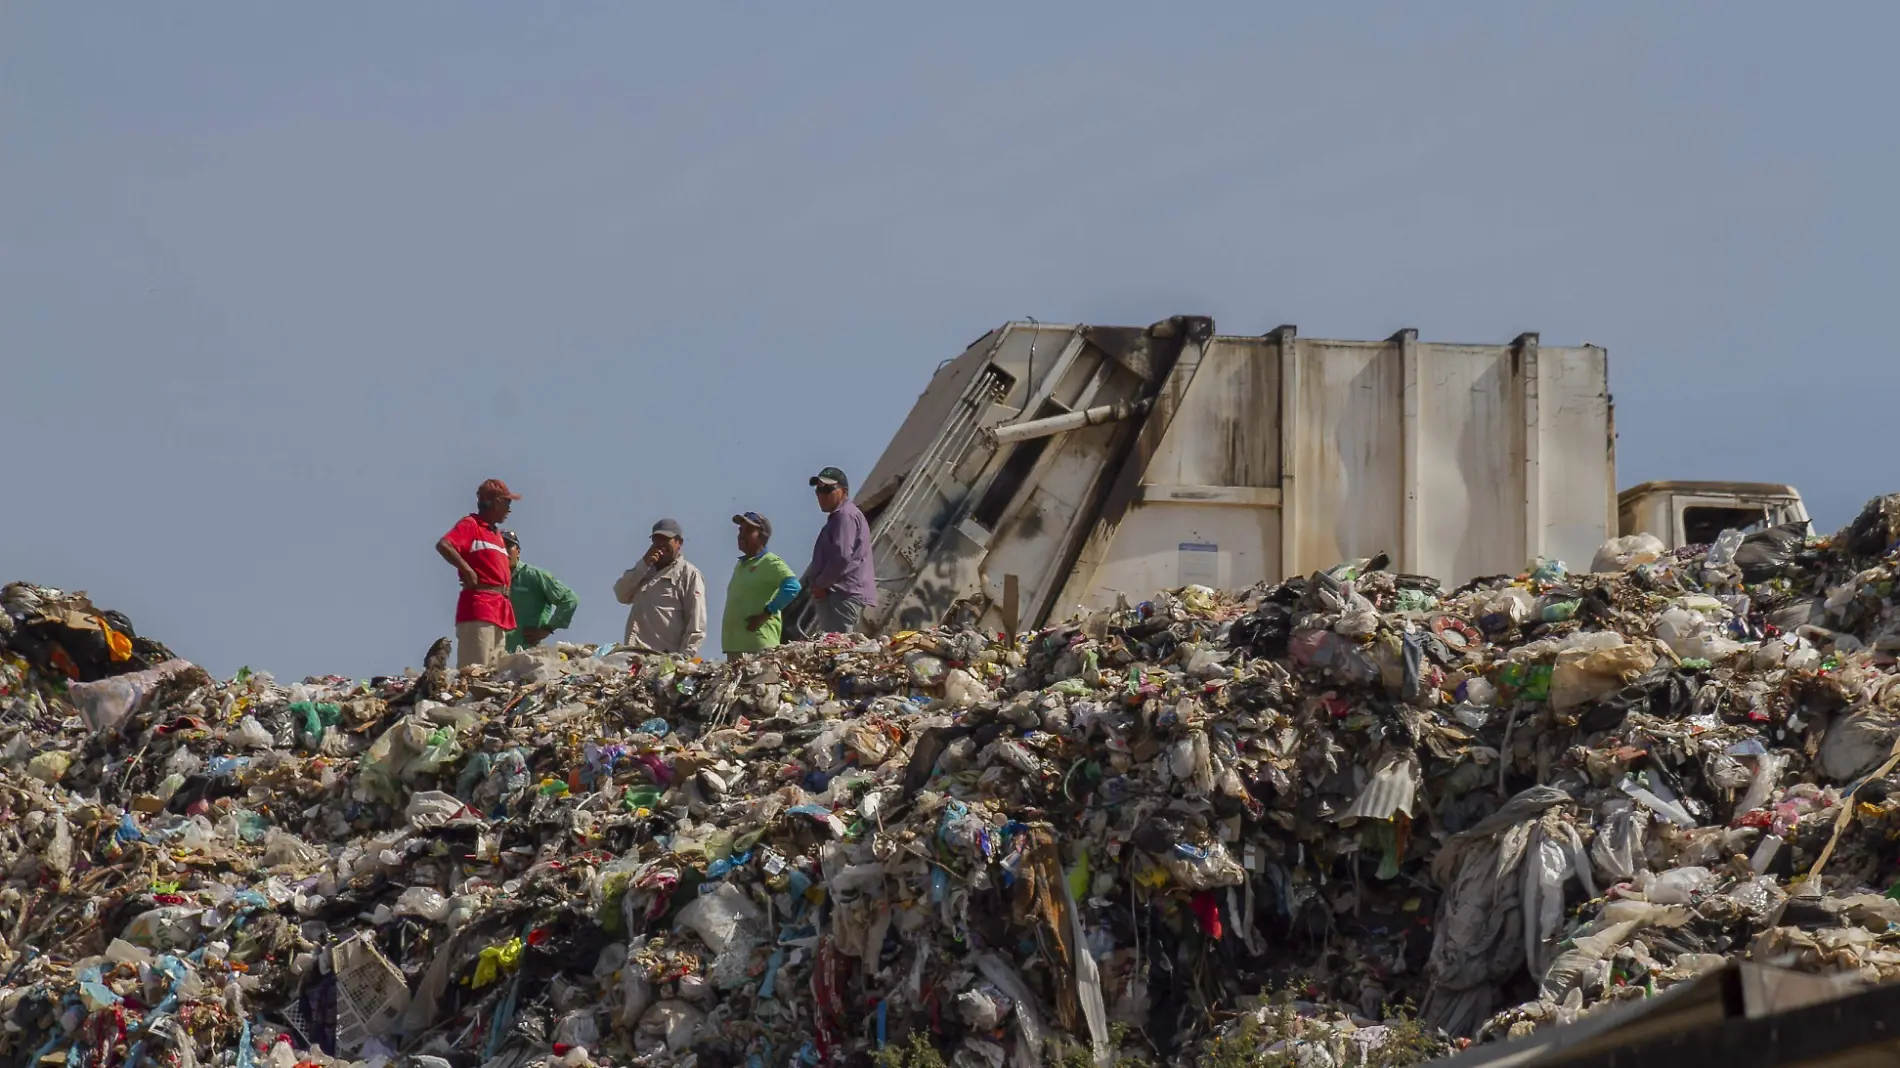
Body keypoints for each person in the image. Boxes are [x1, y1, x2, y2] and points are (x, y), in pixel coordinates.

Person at [435, 479, 519, 670]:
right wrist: (467, 570)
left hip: (498, 609)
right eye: (506, 503)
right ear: (494, 501)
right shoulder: (471, 525)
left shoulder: (496, 534)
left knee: (494, 674)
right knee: (474, 670)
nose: (509, 509)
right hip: (480, 607)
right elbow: (444, 545)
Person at [613, 518, 707, 657]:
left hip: (664, 658)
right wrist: (643, 564)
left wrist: (684, 657)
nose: (660, 545)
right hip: (634, 656)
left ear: (678, 542)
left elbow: (696, 624)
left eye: (665, 540)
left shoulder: (689, 574)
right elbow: (621, 594)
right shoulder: (645, 570)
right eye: (656, 540)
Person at [804, 466, 878, 635]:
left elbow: (842, 555)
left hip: (842, 594)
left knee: (838, 649)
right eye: (818, 490)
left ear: (844, 491)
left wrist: (821, 583)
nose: (821, 495)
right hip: (839, 594)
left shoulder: (844, 516)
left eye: (828, 489)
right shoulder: (839, 517)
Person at [722, 512, 801, 658]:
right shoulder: (741, 564)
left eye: (748, 531)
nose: (741, 535)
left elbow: (792, 586)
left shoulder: (769, 562)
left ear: (762, 536)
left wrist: (767, 613)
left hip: (758, 646)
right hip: (735, 646)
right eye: (740, 530)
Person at [501, 530, 578, 652]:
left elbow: (569, 598)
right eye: (500, 547)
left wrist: (548, 628)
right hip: (496, 655)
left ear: (518, 552)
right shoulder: (490, 580)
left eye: (509, 546)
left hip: (527, 654)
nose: (504, 551)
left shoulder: (534, 576)